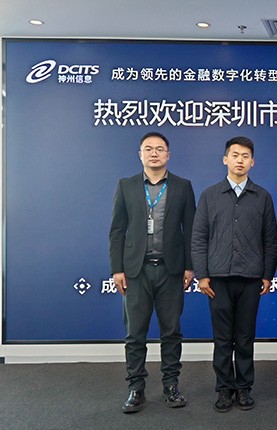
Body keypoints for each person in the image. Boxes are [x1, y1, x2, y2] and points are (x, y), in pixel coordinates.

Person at [109, 131, 196, 413]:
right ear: (140, 154)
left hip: (171, 271)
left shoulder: (183, 186)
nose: (154, 153)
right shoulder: (126, 186)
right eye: (148, 149)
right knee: (135, 334)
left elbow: (190, 230)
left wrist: (190, 266)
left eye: (160, 149)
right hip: (136, 271)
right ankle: (136, 388)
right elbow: (117, 231)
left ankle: (171, 386)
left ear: (168, 154)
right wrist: (117, 269)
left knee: (171, 332)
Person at [191, 136, 277, 412]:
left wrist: (267, 275)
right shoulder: (210, 195)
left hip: (251, 279)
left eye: (245, 156)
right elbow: (199, 237)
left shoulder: (262, 197)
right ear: (225, 159)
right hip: (217, 279)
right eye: (235, 155)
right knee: (222, 338)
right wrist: (202, 275)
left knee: (245, 337)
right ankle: (224, 389)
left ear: (252, 162)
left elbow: (270, 240)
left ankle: (243, 387)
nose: (240, 160)